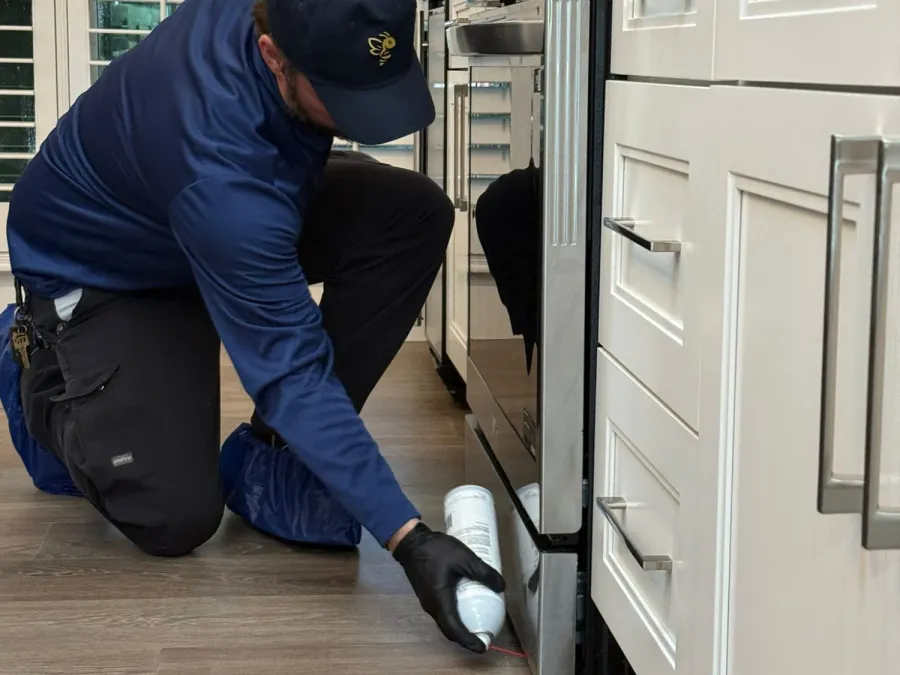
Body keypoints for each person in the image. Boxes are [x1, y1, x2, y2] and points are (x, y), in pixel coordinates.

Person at [3, 0, 505, 654]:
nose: (363, 123)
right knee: (173, 517)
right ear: (273, 58)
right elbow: (290, 372)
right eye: (344, 100)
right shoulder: (217, 160)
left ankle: (272, 462)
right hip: (108, 273)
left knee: (410, 214)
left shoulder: (292, 19)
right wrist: (409, 537)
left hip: (203, 215)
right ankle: (33, 360)